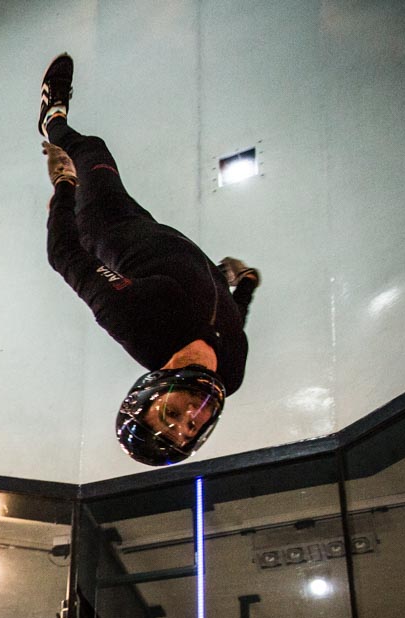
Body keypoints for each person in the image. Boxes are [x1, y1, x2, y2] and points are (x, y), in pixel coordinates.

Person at [36, 54, 261, 466]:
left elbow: (63, 254)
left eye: (171, 415)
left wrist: (65, 183)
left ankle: (52, 119)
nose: (190, 416)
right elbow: (234, 323)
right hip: (171, 243)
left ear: (152, 393)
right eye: (190, 427)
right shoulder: (233, 375)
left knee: (92, 150)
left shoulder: (136, 323)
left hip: (109, 223)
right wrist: (246, 284)